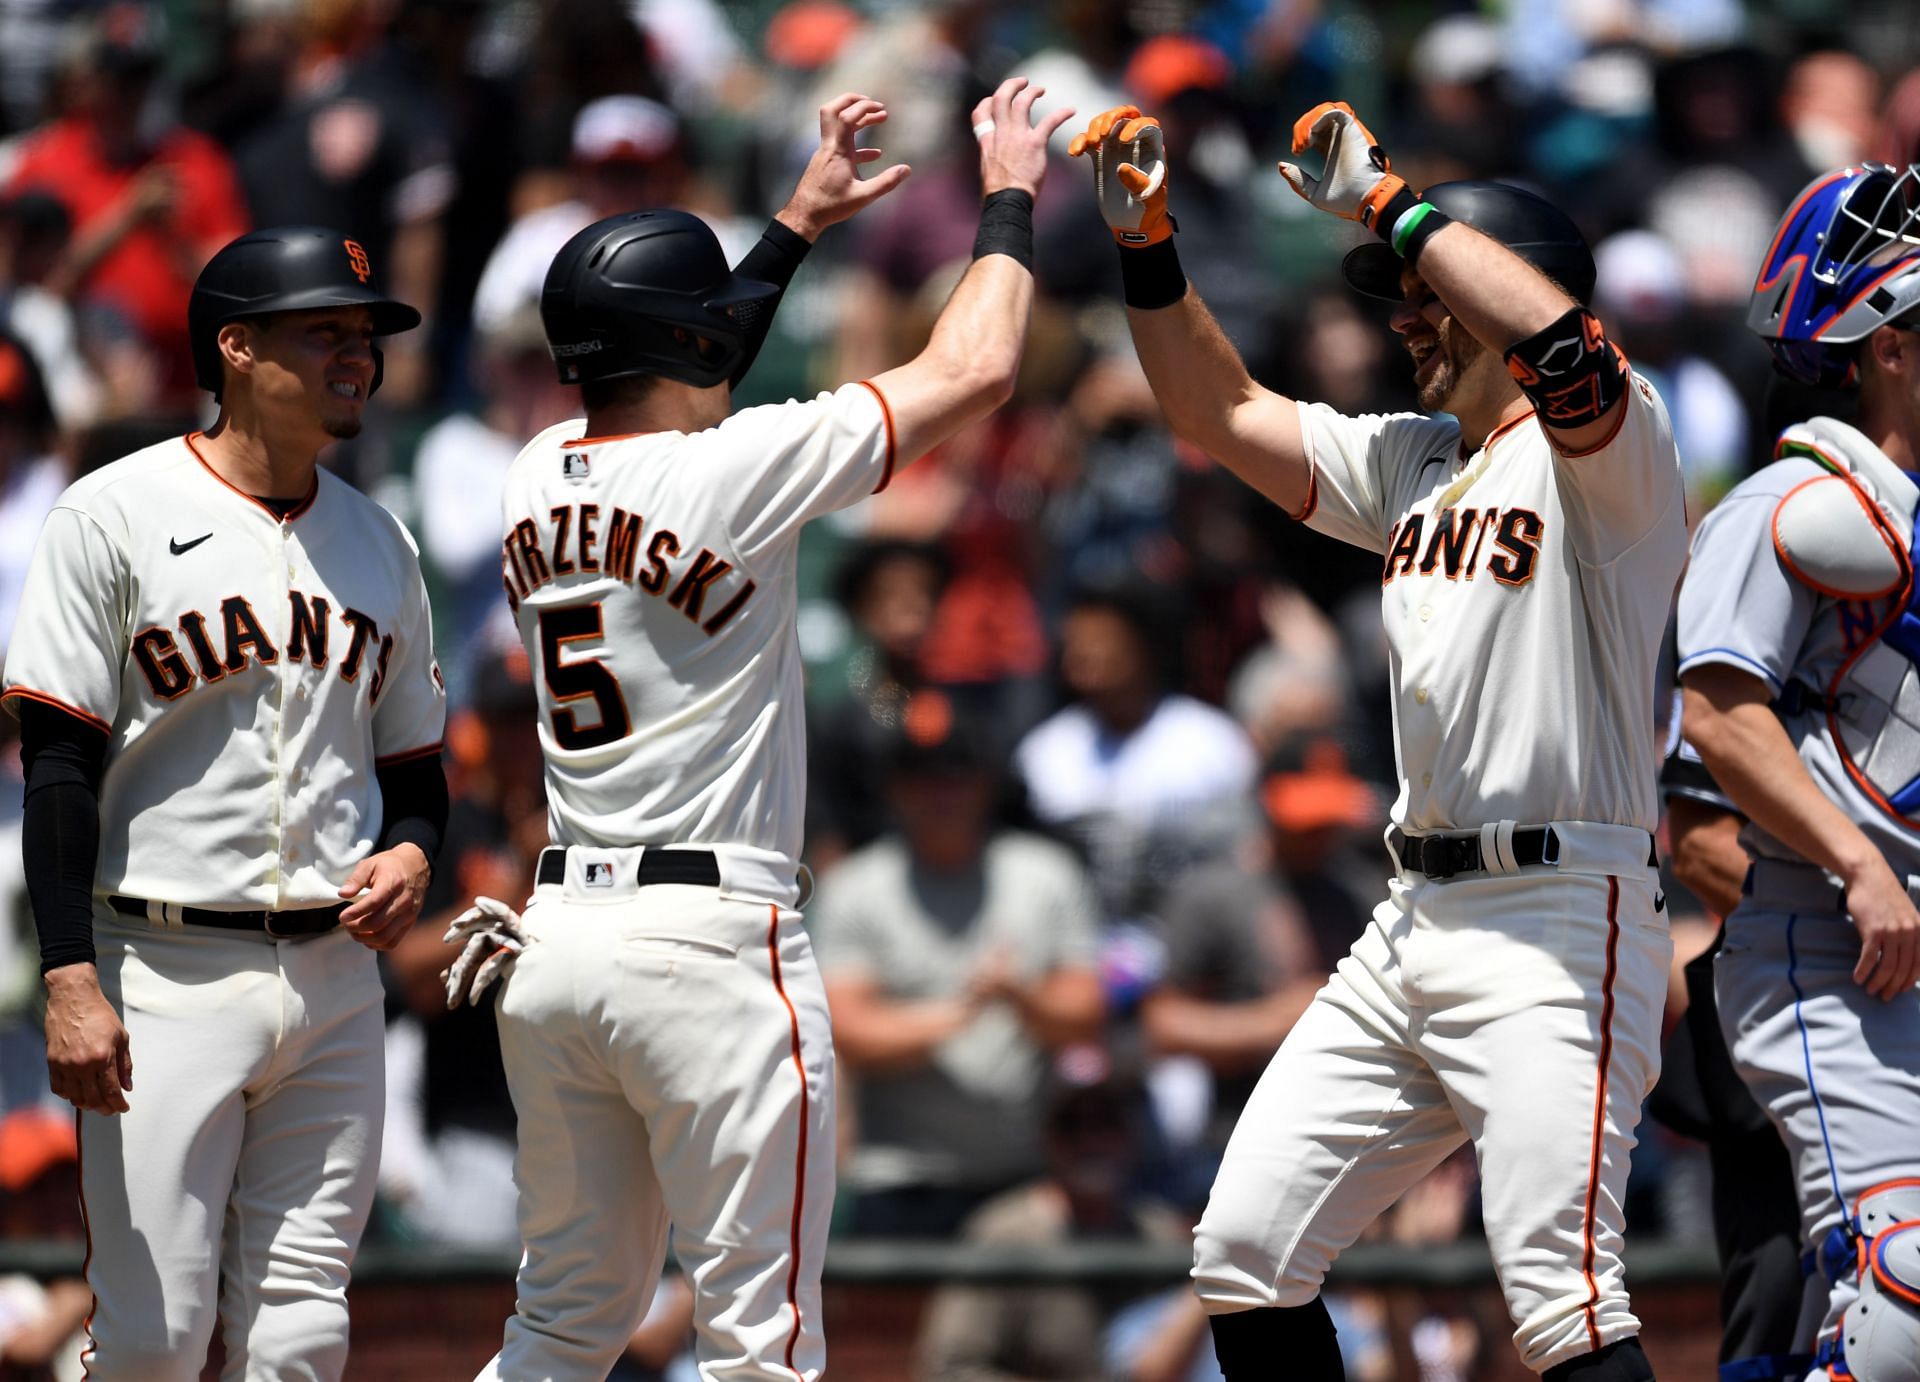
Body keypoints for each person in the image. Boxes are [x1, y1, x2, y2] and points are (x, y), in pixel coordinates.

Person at [440, 82, 1074, 1380]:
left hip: (555, 946)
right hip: (710, 944)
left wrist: (792, 223)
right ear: (688, 339)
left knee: (560, 1324)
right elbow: (979, 368)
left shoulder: (527, 474)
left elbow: (694, 357)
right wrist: (1007, 191)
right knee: (757, 1343)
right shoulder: (730, 471)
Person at [1069, 100, 1686, 1379]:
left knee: (1564, 1305)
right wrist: (1147, 245)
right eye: (1403, 289)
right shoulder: (1419, 460)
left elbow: (1566, 352)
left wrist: (1398, 205)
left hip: (1562, 909)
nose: (1407, 310)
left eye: (1430, 291)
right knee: (1243, 1253)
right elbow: (1218, 409)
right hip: (1414, 916)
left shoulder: (1615, 459)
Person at [1, 226, 449, 1380]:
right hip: (161, 967)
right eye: (326, 331)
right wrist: (67, 973)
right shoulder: (113, 513)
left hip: (337, 979)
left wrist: (411, 852)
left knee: (302, 1332)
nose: (358, 354)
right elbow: (56, 766)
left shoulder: (380, 538)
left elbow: (417, 774)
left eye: (365, 335)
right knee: (152, 1339)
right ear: (236, 347)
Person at [1677, 160, 1920, 1382]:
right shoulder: (1789, 503)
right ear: (1883, 344)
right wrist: (1858, 863)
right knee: (1901, 1305)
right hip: (1831, 950)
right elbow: (1718, 720)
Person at [810, 698, 1106, 1238]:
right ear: (894, 789)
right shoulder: (855, 888)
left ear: (986, 783)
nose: (941, 795)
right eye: (921, 780)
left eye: (956, 777)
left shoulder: (1046, 875)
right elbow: (849, 1031)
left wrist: (1020, 997)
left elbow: (1085, 1011)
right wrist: (963, 1011)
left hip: (1026, 1178)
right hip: (899, 1179)